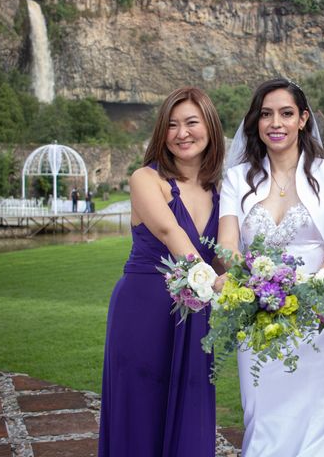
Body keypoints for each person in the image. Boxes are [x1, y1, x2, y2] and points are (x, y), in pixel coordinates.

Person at [217, 78, 324, 456]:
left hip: (316, 320)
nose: (275, 123)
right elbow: (228, 247)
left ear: (303, 119)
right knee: (261, 418)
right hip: (257, 316)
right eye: (266, 114)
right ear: (256, 123)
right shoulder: (236, 179)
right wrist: (253, 289)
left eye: (286, 113)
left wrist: (309, 296)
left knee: (315, 421)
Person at [98, 87, 225, 457]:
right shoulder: (145, 179)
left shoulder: (220, 190)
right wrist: (212, 279)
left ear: (210, 128)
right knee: (140, 410)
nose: (182, 133)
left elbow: (221, 258)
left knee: (191, 404)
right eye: (172, 125)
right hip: (144, 309)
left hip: (196, 313)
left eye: (191, 122)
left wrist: (255, 285)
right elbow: (172, 234)